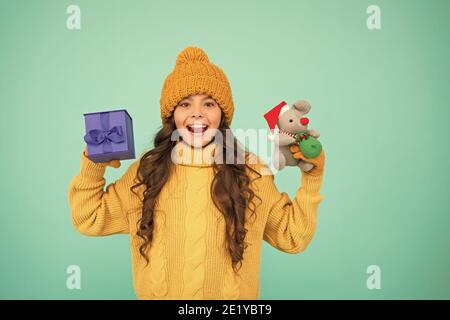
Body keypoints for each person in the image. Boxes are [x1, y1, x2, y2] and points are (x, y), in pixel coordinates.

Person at [67, 46, 326, 300]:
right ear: (172, 117)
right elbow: (88, 217)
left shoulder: (252, 172)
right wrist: (94, 162)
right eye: (184, 104)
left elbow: (293, 237)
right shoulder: (146, 174)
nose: (197, 113)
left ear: (222, 115)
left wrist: (311, 178)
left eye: (209, 103)